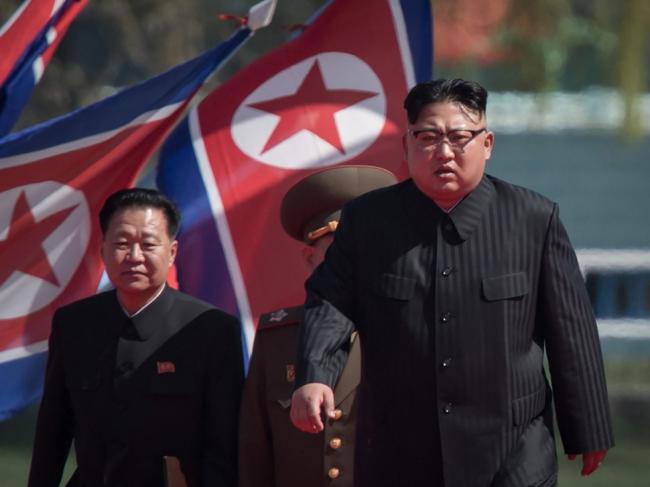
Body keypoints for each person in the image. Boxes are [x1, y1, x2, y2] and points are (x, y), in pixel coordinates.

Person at [290, 79, 614, 487]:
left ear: (487, 144)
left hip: (513, 450)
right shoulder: (368, 222)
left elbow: (571, 328)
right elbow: (330, 301)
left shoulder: (533, 219)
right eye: (428, 138)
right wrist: (315, 373)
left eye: (460, 138)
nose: (444, 152)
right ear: (406, 145)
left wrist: (588, 426)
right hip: (400, 449)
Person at [28, 188, 243, 487]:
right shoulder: (74, 324)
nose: (134, 256)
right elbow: (53, 429)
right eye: (121, 244)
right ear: (103, 250)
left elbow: (224, 445)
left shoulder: (212, 329)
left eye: (148, 244)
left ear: (172, 252)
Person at [238, 166, 398, 487]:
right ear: (309, 258)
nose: (349, 265)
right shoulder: (277, 338)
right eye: (336, 254)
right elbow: (255, 452)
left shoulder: (407, 330)